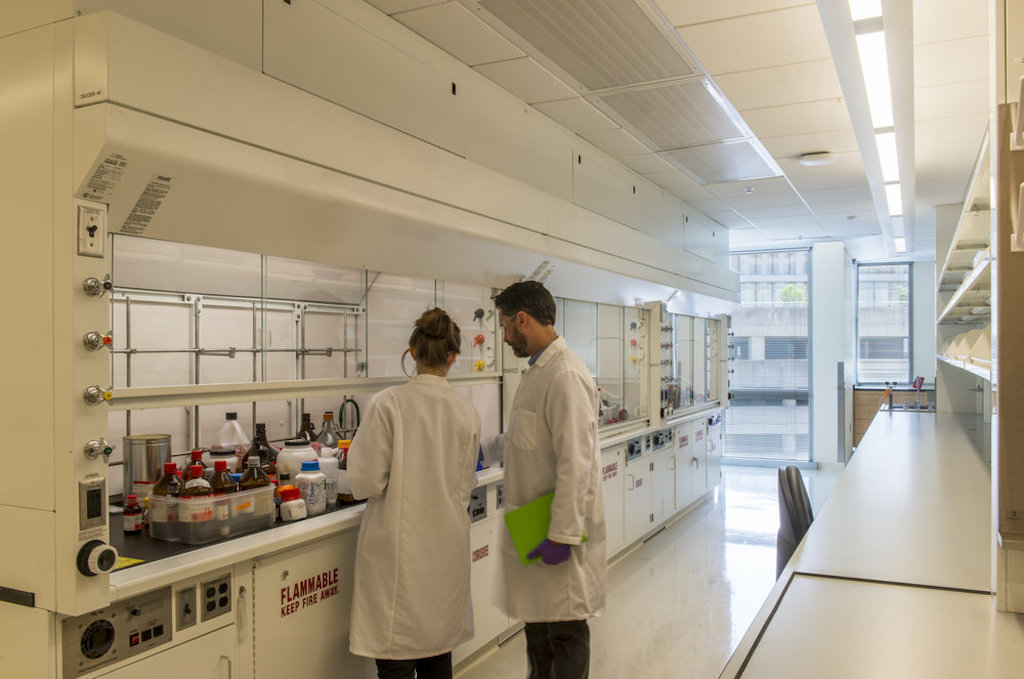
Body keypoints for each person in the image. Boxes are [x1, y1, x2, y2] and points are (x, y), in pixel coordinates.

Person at [348, 308, 482, 679]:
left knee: (396, 659)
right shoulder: (467, 412)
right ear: (453, 357)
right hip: (447, 552)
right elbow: (465, 482)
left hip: (398, 556)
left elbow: (366, 481)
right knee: (437, 651)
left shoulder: (389, 403)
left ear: (412, 351)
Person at [483, 280, 606, 679]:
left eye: (504, 327)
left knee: (565, 631)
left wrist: (563, 534)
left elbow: (577, 462)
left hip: (555, 527)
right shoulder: (538, 370)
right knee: (537, 630)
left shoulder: (565, 374)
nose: (503, 337)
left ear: (523, 320)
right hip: (533, 522)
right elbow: (526, 438)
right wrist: (484, 452)